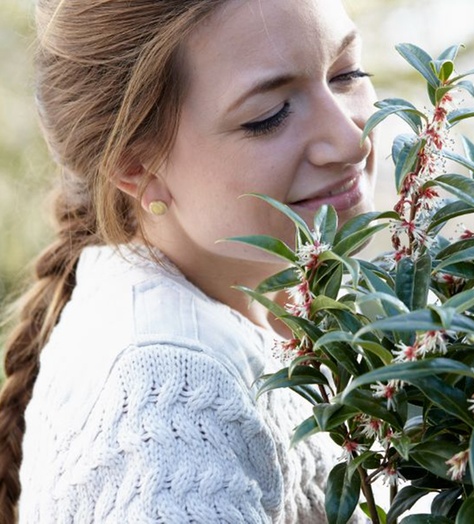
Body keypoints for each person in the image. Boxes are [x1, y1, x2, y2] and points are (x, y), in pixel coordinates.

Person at [0, 0, 378, 521]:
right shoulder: (166, 403)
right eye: (269, 115)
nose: (352, 141)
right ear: (137, 167)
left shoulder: (281, 298)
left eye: (346, 74)